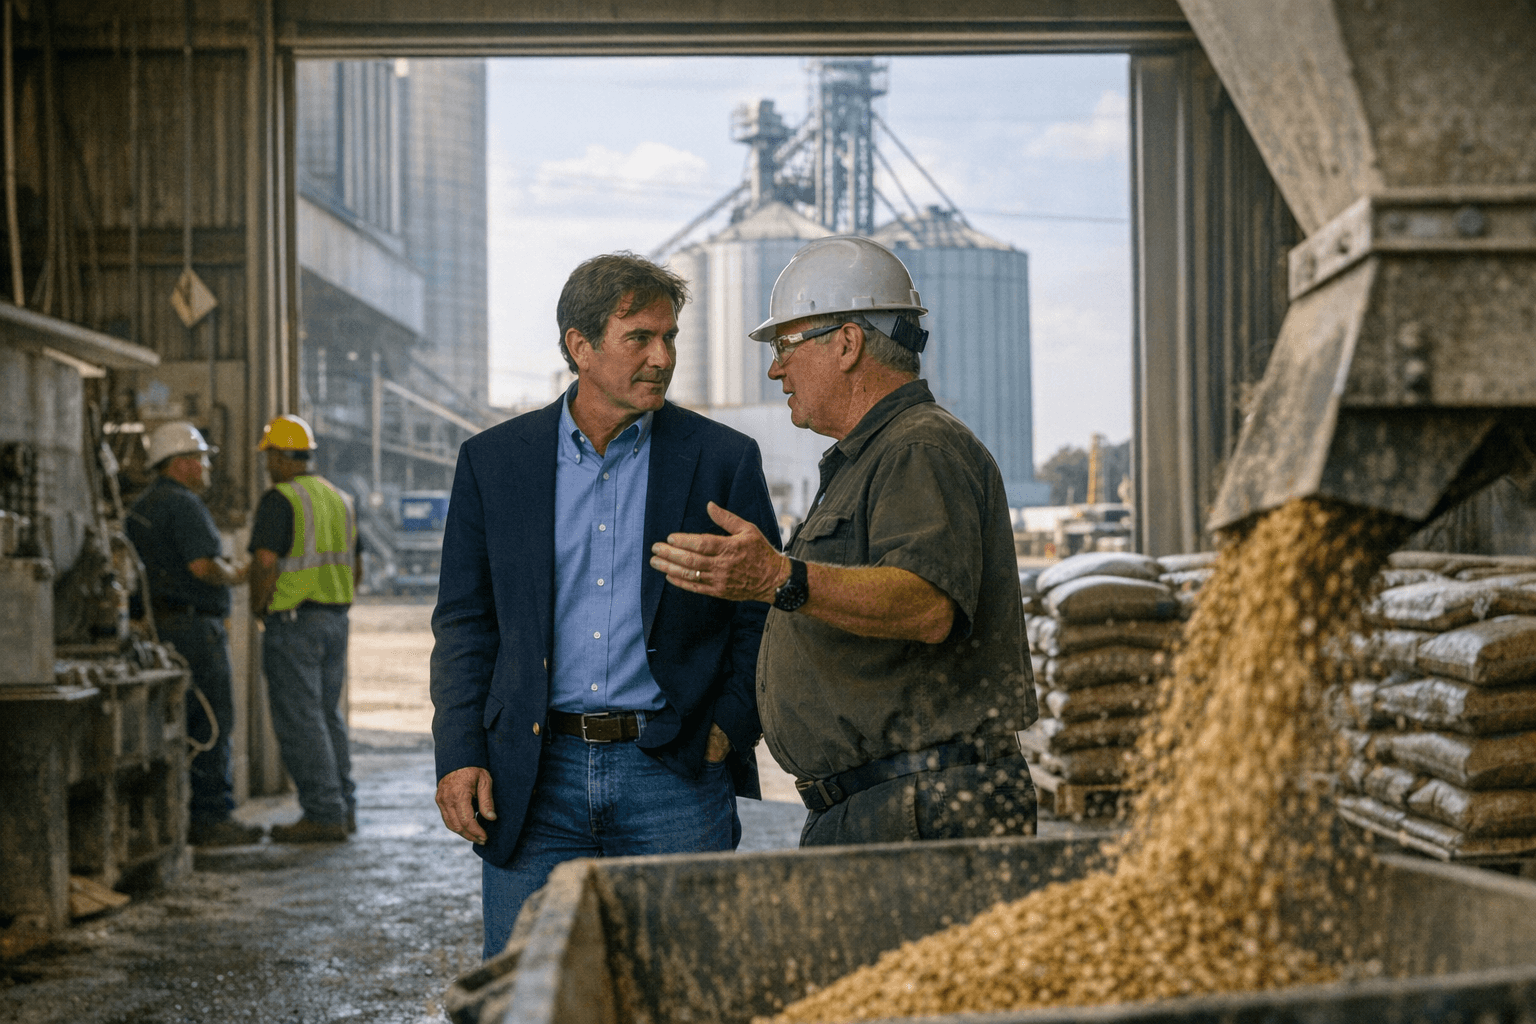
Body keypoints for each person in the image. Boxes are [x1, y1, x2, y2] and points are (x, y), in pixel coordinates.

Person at [430, 253, 780, 959]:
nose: (662, 356)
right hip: (532, 776)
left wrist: (726, 730)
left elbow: (762, 611)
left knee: (684, 996)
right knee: (530, 993)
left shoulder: (722, 459)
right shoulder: (495, 462)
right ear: (579, 347)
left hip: (673, 773)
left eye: (670, 337)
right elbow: (467, 622)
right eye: (639, 337)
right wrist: (461, 752)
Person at [649, 235, 1039, 847]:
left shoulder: (919, 448)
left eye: (785, 346)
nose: (776, 368)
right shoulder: (872, 458)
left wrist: (780, 578)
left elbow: (926, 605)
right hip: (890, 801)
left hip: (919, 807)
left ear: (849, 343)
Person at [127, 421, 261, 847]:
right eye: (202, 459)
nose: (206, 468)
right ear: (182, 464)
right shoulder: (183, 505)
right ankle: (211, 816)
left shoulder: (143, 506)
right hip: (193, 629)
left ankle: (183, 815)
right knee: (213, 720)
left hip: (158, 628)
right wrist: (238, 575)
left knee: (180, 724)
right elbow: (203, 566)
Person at [248, 413, 360, 844]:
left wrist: (262, 608)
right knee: (327, 716)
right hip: (335, 619)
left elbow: (264, 563)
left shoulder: (281, 499)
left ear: (280, 455)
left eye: (269, 455)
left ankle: (323, 812)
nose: (267, 464)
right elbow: (359, 566)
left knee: (300, 720)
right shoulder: (340, 499)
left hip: (293, 623)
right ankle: (343, 807)